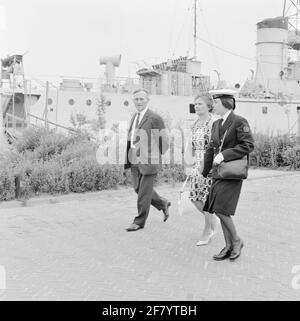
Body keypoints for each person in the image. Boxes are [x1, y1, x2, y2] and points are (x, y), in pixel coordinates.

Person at [201, 89, 254, 261]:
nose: (213, 105)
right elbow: (211, 149)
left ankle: (236, 241)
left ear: (226, 103)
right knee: (218, 208)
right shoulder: (216, 124)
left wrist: (225, 154)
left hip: (231, 172)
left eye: (215, 102)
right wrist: (204, 170)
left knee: (221, 209)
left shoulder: (239, 121)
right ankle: (229, 245)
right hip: (218, 173)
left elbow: (248, 145)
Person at [124, 89, 171, 232]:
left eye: (141, 99)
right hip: (134, 157)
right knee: (138, 188)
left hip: (149, 159)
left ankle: (139, 221)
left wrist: (156, 155)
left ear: (147, 100)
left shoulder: (154, 118)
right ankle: (163, 203)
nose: (138, 102)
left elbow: (164, 140)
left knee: (144, 192)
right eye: (136, 99)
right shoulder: (135, 116)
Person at [184, 93, 218, 246]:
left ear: (208, 106)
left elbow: (214, 146)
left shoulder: (213, 122)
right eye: (195, 104)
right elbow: (190, 147)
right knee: (194, 197)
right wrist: (188, 166)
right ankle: (212, 220)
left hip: (209, 164)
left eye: (200, 104)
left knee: (207, 199)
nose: (196, 106)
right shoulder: (195, 122)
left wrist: (206, 166)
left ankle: (207, 231)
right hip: (197, 165)